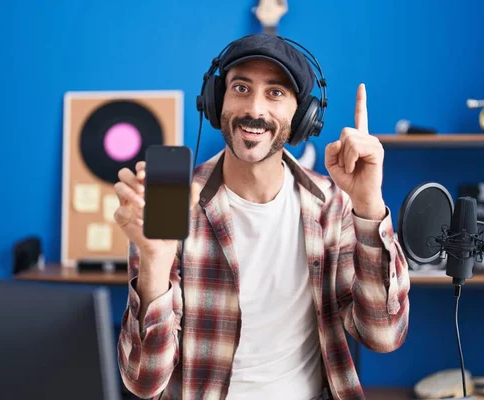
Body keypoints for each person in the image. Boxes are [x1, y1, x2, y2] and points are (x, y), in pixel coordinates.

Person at [113, 34, 410, 400]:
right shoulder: (173, 201)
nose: (254, 109)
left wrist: (368, 205)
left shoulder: (332, 203)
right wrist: (155, 263)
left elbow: (383, 335)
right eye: (241, 87)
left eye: (275, 93)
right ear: (215, 100)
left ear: (303, 116)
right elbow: (144, 382)